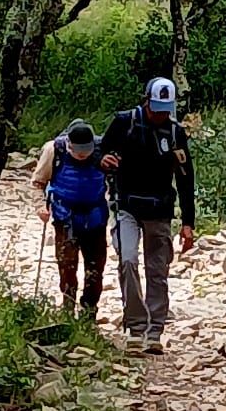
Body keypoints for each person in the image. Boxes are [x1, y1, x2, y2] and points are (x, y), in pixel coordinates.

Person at [99, 77, 195, 352]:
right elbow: (100, 152)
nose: (160, 115)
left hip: (160, 210)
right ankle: (135, 326)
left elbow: (185, 177)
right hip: (127, 206)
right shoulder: (124, 123)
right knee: (128, 260)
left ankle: (154, 331)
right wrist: (102, 160)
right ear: (145, 102)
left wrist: (188, 222)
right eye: (155, 109)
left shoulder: (175, 133)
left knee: (157, 271)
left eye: (165, 110)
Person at [31, 119, 108, 317]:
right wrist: (41, 206)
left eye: (86, 150)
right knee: (67, 265)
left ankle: (89, 312)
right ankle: (67, 308)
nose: (83, 155)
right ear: (68, 144)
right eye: (78, 151)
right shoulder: (54, 150)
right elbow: (39, 182)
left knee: (95, 269)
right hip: (65, 215)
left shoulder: (104, 149)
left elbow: (116, 179)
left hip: (95, 217)